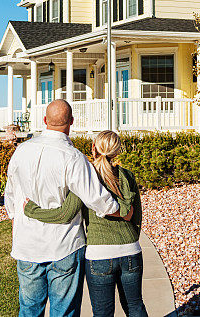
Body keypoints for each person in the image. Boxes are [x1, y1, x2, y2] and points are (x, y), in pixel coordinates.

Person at [5, 99, 120, 317]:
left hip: (27, 245)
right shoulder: (74, 157)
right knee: (64, 312)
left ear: (45, 120)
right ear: (72, 122)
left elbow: (11, 194)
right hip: (64, 245)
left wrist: (17, 220)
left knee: (29, 310)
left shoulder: (21, 151)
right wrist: (120, 211)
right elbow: (96, 198)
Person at [25, 130, 148, 317]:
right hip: (131, 250)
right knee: (135, 307)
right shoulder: (127, 176)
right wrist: (131, 240)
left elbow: (64, 214)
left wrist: (32, 210)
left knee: (102, 313)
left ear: (93, 148)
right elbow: (136, 216)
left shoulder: (86, 177)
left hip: (99, 254)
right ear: (118, 150)